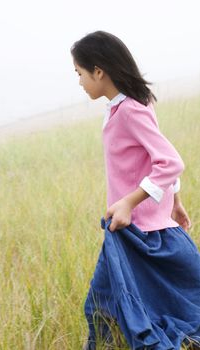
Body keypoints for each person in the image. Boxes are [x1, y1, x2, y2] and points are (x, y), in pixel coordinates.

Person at [70, 31, 200, 350]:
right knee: (105, 307)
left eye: (79, 74)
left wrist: (129, 201)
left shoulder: (130, 109)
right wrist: (176, 200)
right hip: (125, 228)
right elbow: (153, 154)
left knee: (108, 307)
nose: (79, 82)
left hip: (139, 229)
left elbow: (169, 160)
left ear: (98, 71)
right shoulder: (121, 107)